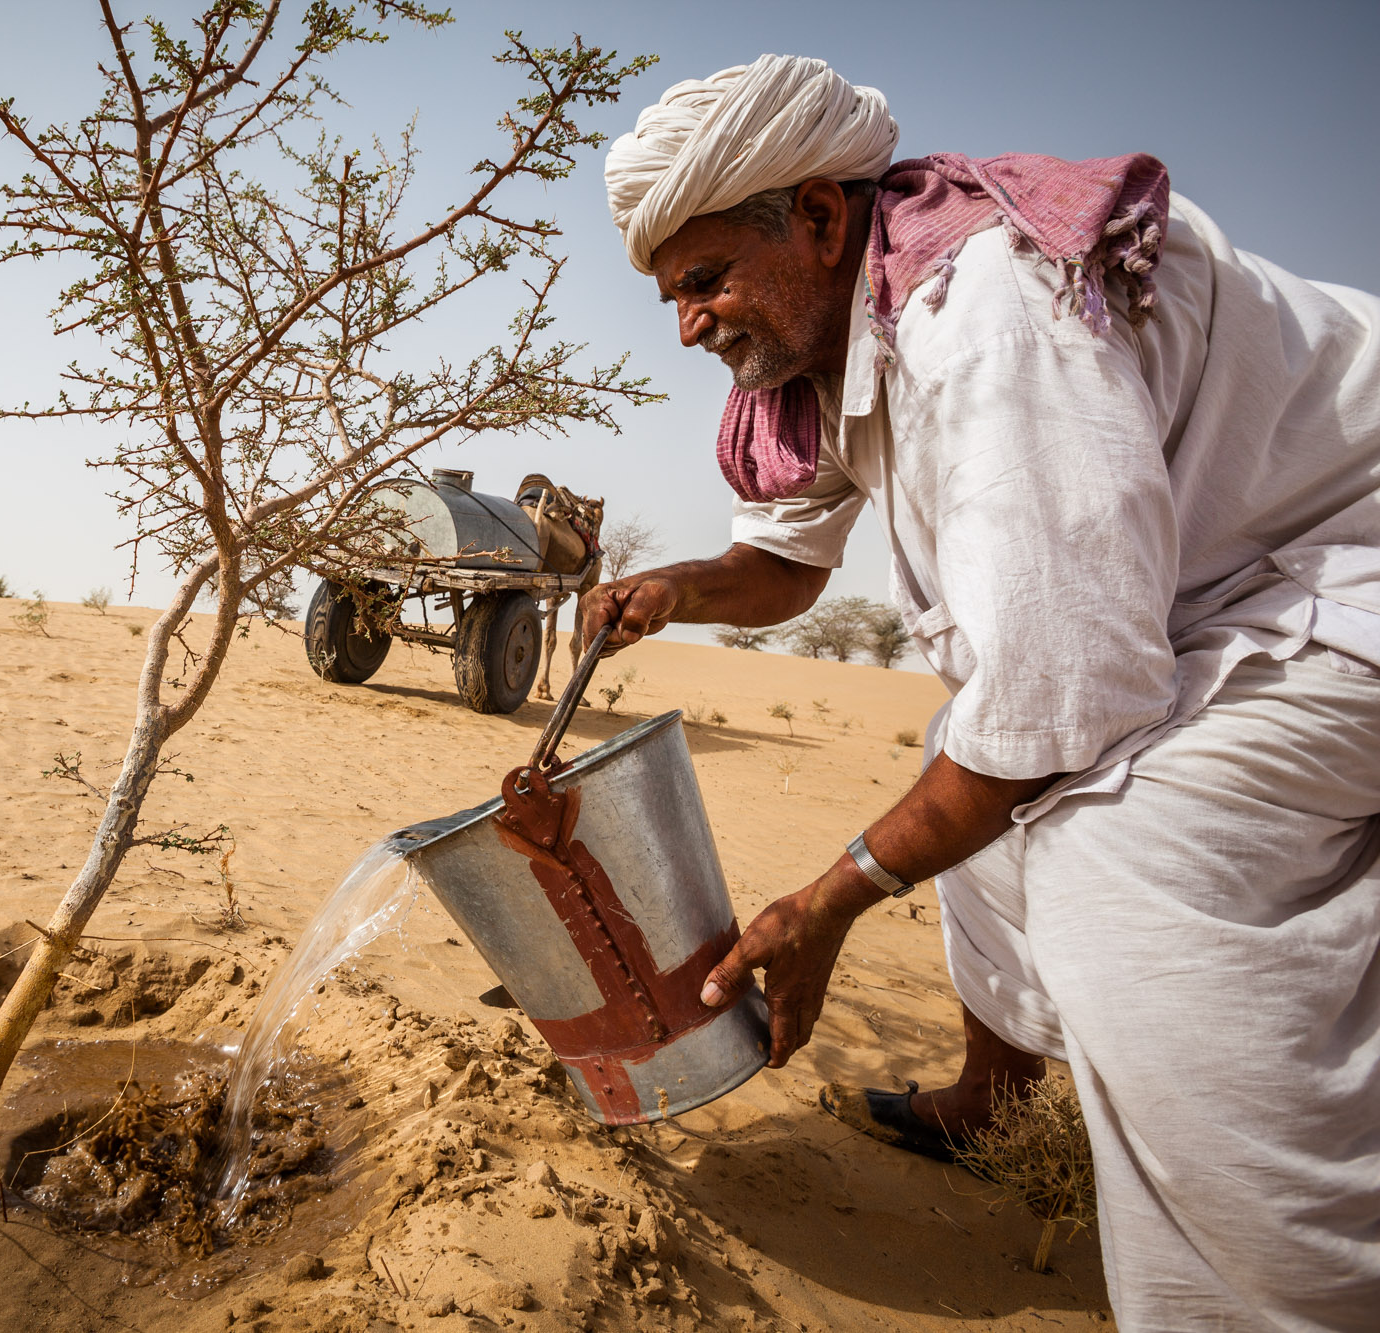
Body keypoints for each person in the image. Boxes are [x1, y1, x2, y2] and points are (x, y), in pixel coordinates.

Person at [581, 53, 1380, 1332]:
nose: (684, 324)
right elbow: (778, 566)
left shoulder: (988, 320)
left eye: (703, 279)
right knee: (975, 745)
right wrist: (677, 588)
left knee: (1118, 843)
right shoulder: (838, 334)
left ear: (821, 219)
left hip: (1344, 573)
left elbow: (1066, 691)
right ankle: (991, 1099)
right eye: (669, 293)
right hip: (1221, 590)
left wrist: (831, 897)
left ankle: (1286, 1288)